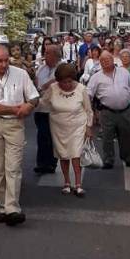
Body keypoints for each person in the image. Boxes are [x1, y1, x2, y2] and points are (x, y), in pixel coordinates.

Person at [0, 44, 39, 226]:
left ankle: (13, 208)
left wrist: (29, 105)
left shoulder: (20, 74)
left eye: (6, 60)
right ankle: (3, 207)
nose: (4, 64)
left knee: (13, 167)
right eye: (0, 61)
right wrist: (15, 108)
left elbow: (34, 96)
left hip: (14, 125)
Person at [40, 63, 93, 197]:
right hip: (58, 126)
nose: (67, 84)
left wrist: (89, 127)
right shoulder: (53, 88)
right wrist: (30, 102)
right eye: (64, 82)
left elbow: (88, 110)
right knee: (63, 154)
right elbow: (42, 103)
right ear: (58, 80)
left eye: (70, 81)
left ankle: (78, 184)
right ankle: (67, 182)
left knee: (76, 154)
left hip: (77, 125)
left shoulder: (81, 89)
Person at [87, 51, 130, 169]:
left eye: (108, 59)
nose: (105, 62)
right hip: (107, 112)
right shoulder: (96, 77)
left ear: (113, 60)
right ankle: (108, 160)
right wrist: (90, 111)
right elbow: (88, 94)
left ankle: (127, 158)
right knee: (107, 137)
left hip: (126, 110)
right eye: (102, 60)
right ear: (100, 62)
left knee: (127, 136)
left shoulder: (124, 72)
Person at [33, 44, 61, 174]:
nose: (45, 56)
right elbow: (37, 84)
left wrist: (47, 85)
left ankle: (51, 163)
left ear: (56, 55)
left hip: (54, 108)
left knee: (52, 137)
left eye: (48, 53)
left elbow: (60, 82)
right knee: (42, 136)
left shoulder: (61, 68)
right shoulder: (41, 69)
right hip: (41, 107)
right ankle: (41, 162)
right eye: (45, 53)